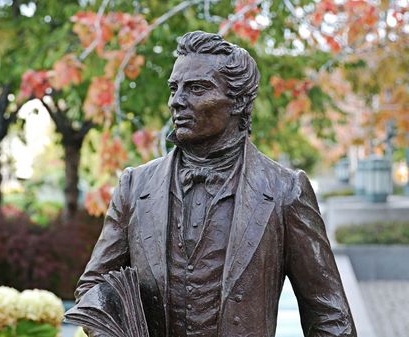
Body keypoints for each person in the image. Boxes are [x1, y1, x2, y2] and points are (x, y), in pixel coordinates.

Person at [74, 31, 356, 337]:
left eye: (196, 89)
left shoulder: (284, 191)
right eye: (174, 88)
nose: (177, 102)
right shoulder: (134, 185)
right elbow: (94, 287)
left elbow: (330, 317)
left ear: (238, 102)